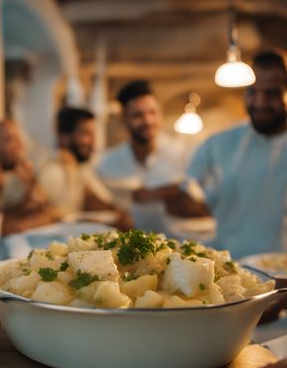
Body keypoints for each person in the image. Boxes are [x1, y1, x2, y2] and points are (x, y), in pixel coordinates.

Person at [145, 51, 287, 259]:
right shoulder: (218, 144)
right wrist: (167, 194)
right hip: (232, 266)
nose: (260, 102)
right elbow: (190, 190)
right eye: (252, 92)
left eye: (271, 93)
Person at [95, 80, 190, 233]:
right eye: (138, 115)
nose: (148, 121)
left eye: (152, 113)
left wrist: (159, 193)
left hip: (181, 246)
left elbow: (201, 201)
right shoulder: (107, 164)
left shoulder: (182, 155)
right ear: (123, 119)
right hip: (127, 250)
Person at [38, 107, 132, 229]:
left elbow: (105, 202)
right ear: (64, 137)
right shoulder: (51, 171)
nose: (93, 142)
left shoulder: (83, 168)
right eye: (86, 134)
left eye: (93, 134)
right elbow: (56, 218)